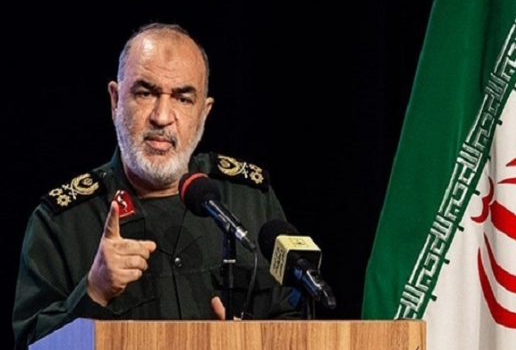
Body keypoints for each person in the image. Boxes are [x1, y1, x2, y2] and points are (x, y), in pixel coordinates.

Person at [12, 22, 300, 350]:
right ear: (115, 101)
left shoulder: (251, 200)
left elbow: (295, 321)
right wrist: (94, 292)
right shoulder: (62, 222)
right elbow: (32, 343)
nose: (162, 117)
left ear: (204, 113)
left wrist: (252, 342)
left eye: (183, 98)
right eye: (145, 93)